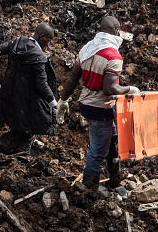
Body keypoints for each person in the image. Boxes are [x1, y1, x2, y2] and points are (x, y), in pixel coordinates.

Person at [57, 16, 140, 188]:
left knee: (111, 143)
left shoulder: (87, 48)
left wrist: (63, 99)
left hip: (87, 103)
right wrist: (130, 89)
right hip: (99, 108)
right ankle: (89, 190)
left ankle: (114, 181)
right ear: (117, 31)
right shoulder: (113, 56)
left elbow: (73, 78)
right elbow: (109, 89)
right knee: (97, 150)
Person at [0, 23, 57, 157]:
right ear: (41, 36)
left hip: (9, 95)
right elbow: (42, 84)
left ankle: (22, 157)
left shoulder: (16, 42)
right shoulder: (38, 56)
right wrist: (53, 103)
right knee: (23, 130)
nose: (49, 43)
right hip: (28, 102)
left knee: (28, 130)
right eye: (48, 39)